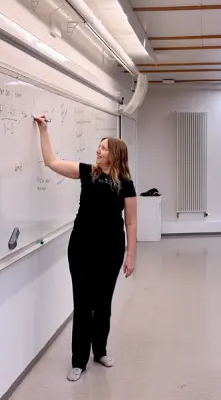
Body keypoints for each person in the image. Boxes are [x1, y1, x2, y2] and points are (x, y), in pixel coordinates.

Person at [34, 115, 137, 382]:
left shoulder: (125, 183)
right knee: (82, 305)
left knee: (103, 305)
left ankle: (100, 351)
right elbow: (52, 161)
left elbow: (132, 222)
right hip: (80, 247)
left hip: (112, 250)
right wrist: (44, 130)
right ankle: (78, 360)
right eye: (99, 146)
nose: (98, 150)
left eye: (103, 148)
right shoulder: (86, 172)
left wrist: (130, 255)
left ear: (113, 155)